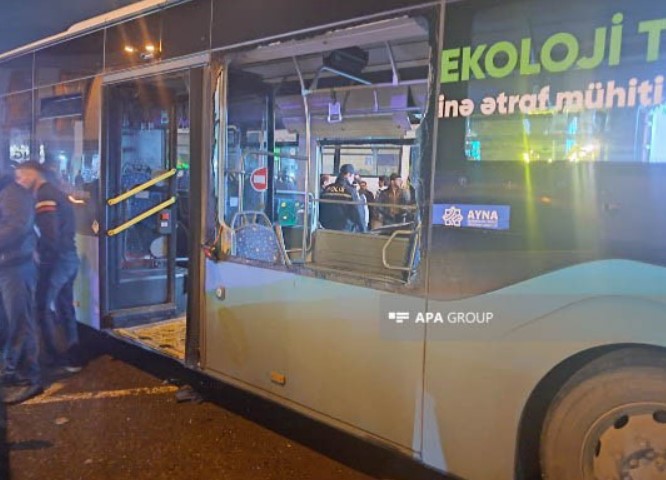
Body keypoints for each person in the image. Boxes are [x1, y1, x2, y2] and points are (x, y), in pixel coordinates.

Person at [14, 161, 83, 374]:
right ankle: (73, 355)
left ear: (34, 174)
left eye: (22, 176)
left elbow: (50, 234)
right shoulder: (53, 191)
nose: (20, 181)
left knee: (41, 306)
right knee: (64, 306)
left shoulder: (45, 195)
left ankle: (54, 357)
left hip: (57, 260)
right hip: (68, 257)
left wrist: (42, 258)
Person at [0, 172, 42, 404]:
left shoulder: (13, 193)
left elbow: (17, 227)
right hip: (7, 266)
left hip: (15, 267)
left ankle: (28, 378)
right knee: (8, 323)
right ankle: (11, 370)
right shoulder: (6, 191)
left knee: (20, 322)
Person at [319, 164, 367, 233]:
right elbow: (358, 213)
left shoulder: (327, 189)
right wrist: (364, 231)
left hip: (326, 228)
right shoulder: (351, 191)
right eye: (353, 177)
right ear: (349, 174)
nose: (353, 180)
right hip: (344, 230)